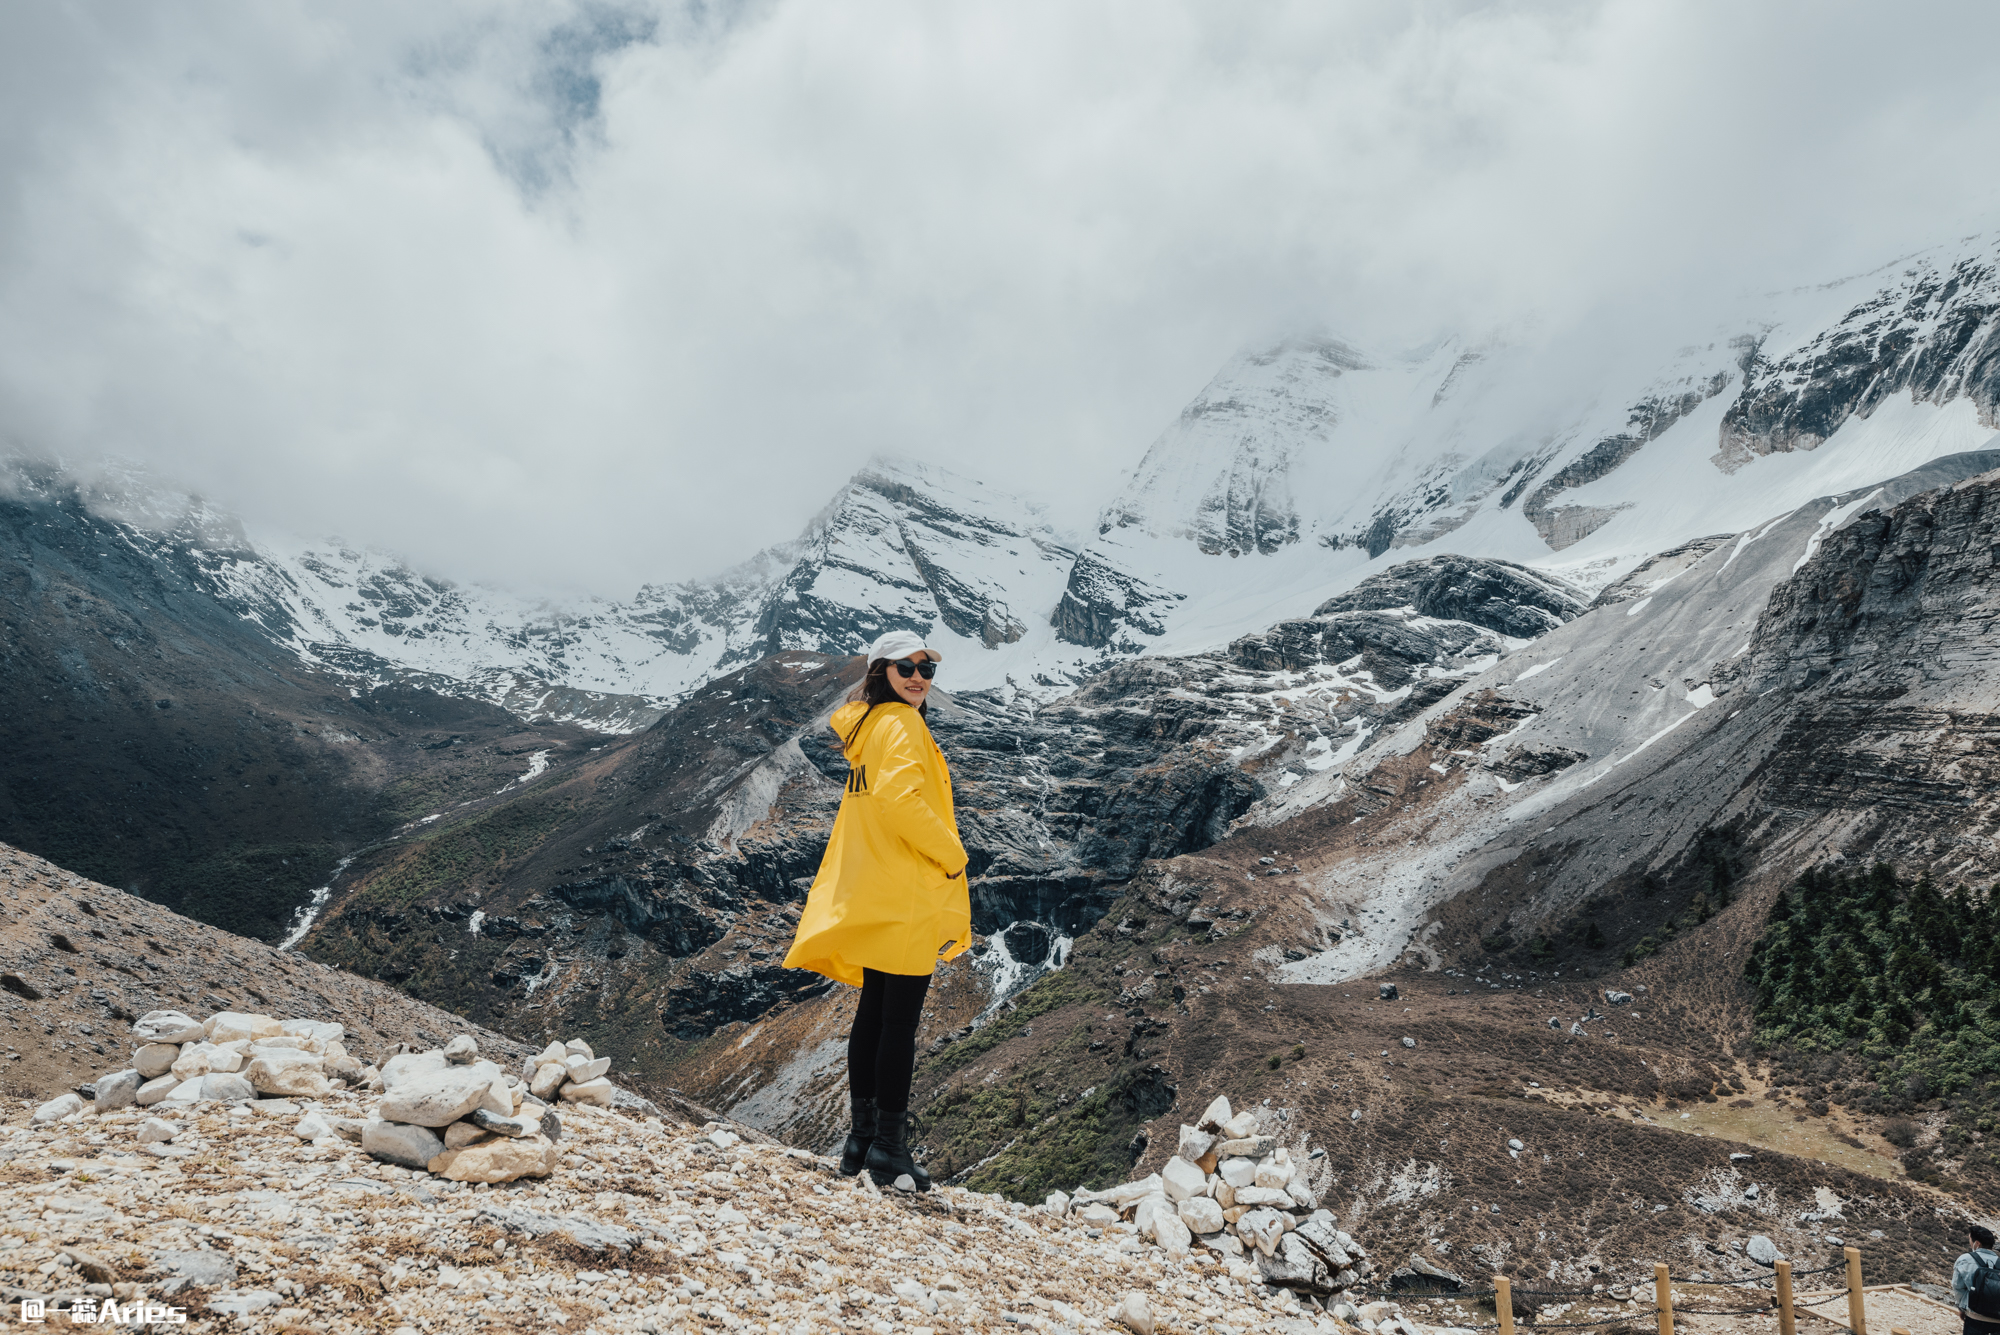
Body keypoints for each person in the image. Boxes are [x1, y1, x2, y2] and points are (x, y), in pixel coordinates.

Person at [782, 629, 970, 1191]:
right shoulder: (904, 724)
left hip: (876, 889)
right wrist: (953, 855)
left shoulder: (866, 731)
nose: (918, 677)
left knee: (873, 1013)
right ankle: (890, 1148)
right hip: (908, 889)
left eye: (926, 669)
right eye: (905, 667)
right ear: (879, 672)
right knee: (899, 1023)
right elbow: (899, 799)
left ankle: (859, 1141)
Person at [1955, 1222, 2000, 1334]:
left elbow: (1958, 1287)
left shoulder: (1965, 1259)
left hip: (1975, 1316)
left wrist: (1961, 1308)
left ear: (1977, 1243)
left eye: (1970, 1240)